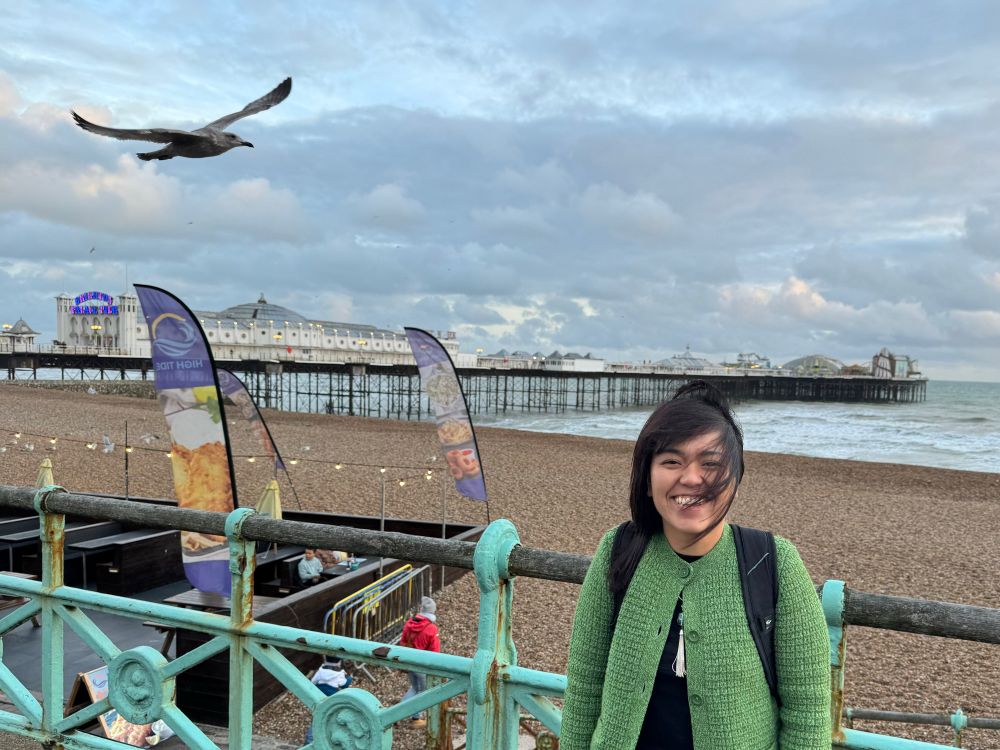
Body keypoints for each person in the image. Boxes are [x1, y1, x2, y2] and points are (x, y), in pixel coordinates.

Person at [561, 381, 830, 750]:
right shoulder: (618, 549)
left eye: (711, 463)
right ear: (646, 479)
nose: (691, 478)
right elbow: (584, 688)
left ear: (734, 480)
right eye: (671, 461)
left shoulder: (774, 562)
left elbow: (807, 716)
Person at [400, 596, 441, 728]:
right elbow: (435, 651)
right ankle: (415, 717)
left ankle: (399, 713)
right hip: (422, 665)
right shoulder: (431, 628)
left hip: (410, 661)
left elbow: (403, 643)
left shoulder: (409, 623)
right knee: (423, 691)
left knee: (415, 688)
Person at [304, 657, 353, 743]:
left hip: (318, 700)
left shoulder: (320, 671)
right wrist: (350, 678)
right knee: (331, 720)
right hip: (331, 702)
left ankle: (309, 741)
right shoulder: (339, 674)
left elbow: (313, 682)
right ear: (339, 662)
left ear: (325, 660)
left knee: (316, 721)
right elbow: (345, 684)